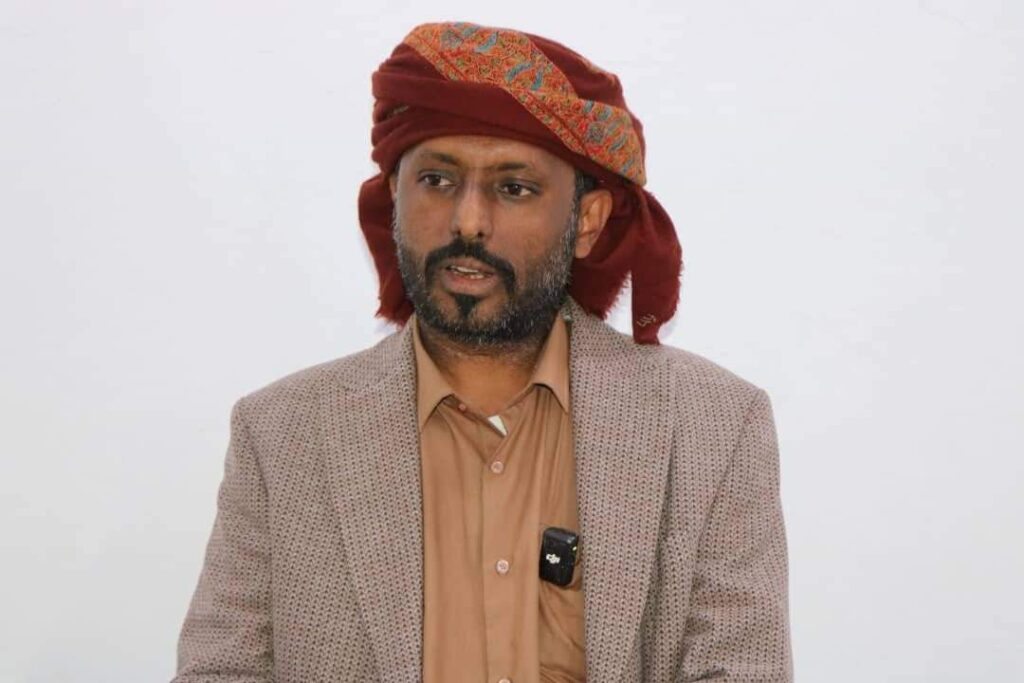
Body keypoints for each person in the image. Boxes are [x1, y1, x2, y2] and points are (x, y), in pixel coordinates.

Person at [173, 20, 793, 683]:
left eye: (512, 187)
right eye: (438, 180)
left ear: (586, 222)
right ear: (395, 198)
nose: (468, 220)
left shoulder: (711, 427)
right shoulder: (282, 434)